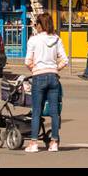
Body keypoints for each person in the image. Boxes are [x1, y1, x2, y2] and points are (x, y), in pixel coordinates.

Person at [24, 12, 68, 153]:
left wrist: (34, 69)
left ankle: (33, 143)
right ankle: (54, 142)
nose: (35, 26)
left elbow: (27, 61)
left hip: (39, 77)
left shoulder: (33, 40)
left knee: (36, 111)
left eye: (36, 24)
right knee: (54, 112)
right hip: (53, 77)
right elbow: (65, 60)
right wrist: (55, 68)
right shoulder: (57, 39)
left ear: (40, 25)